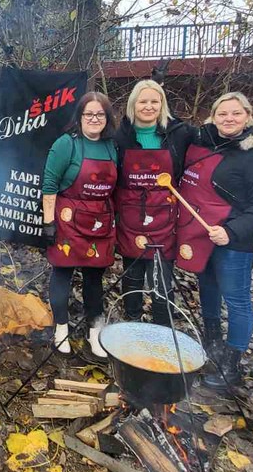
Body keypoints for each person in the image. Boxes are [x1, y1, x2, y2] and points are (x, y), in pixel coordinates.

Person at [174, 93, 253, 390]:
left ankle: (232, 364)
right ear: (213, 116)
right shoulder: (203, 142)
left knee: (236, 299)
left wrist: (231, 232)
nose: (228, 119)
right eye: (223, 113)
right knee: (207, 290)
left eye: (235, 113)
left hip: (233, 239)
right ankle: (212, 345)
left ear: (247, 115)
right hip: (200, 234)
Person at [41, 92, 118, 357]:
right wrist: (48, 223)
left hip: (100, 221)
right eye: (89, 114)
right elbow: (49, 184)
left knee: (94, 279)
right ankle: (61, 328)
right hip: (68, 220)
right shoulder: (66, 144)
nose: (94, 119)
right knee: (62, 273)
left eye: (100, 114)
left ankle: (94, 332)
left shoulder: (112, 145)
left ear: (107, 118)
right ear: (80, 117)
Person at [112, 79, 193, 326]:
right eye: (143, 101)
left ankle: (163, 333)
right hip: (130, 219)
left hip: (165, 220)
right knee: (132, 280)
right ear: (133, 104)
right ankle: (132, 327)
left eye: (154, 101)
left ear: (162, 104)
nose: (148, 106)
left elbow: (216, 138)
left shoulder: (180, 134)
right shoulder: (120, 136)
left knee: (161, 283)